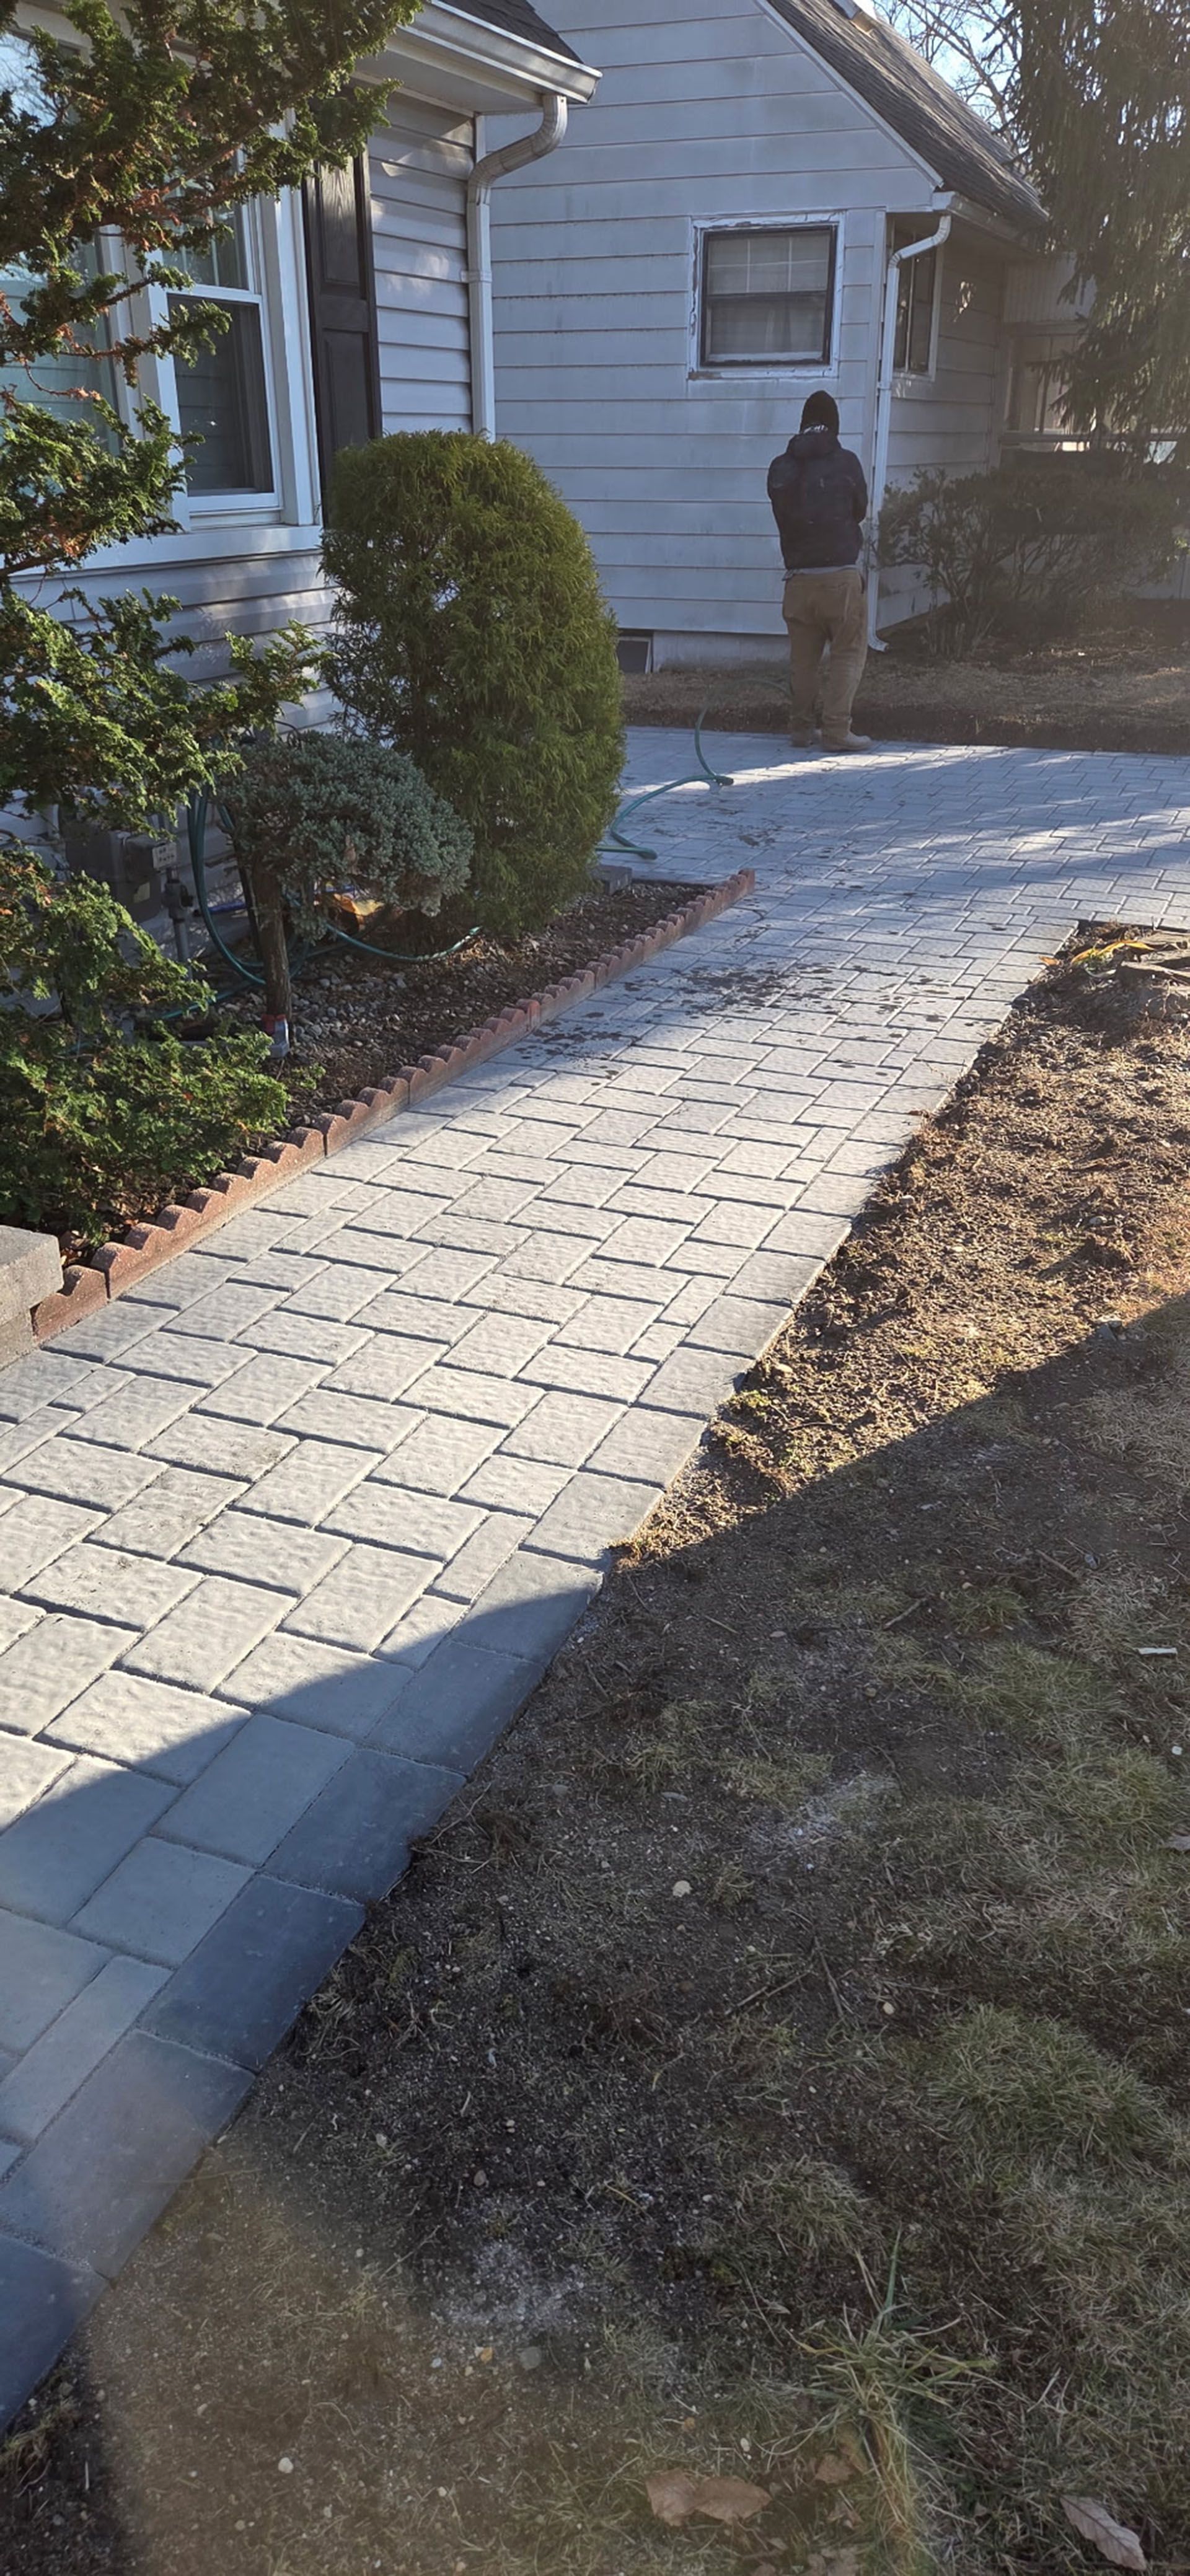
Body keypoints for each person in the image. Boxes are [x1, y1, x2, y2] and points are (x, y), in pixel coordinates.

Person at [766, 391, 871, 754]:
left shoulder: (781, 467)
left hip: (797, 581)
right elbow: (859, 510)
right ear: (835, 426)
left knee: (803, 662)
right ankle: (837, 732)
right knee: (847, 653)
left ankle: (800, 730)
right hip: (840, 579)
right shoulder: (847, 463)